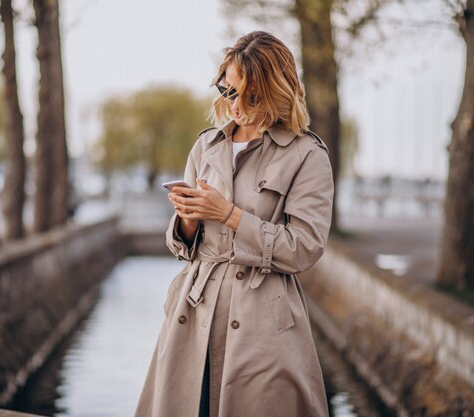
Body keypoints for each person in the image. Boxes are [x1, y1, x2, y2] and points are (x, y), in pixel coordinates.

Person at [135, 31, 334, 417]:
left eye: (251, 96)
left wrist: (229, 214)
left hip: (264, 323)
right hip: (192, 313)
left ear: (278, 89)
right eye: (229, 92)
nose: (237, 106)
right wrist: (188, 220)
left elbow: (304, 248)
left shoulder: (307, 155)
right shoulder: (206, 145)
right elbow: (183, 247)